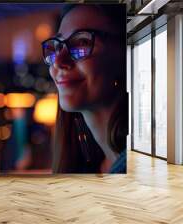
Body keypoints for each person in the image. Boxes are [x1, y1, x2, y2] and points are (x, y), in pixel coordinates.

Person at [41, 4, 128, 173]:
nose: (58, 61)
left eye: (82, 43)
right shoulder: (94, 165)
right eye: (57, 47)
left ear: (124, 54)